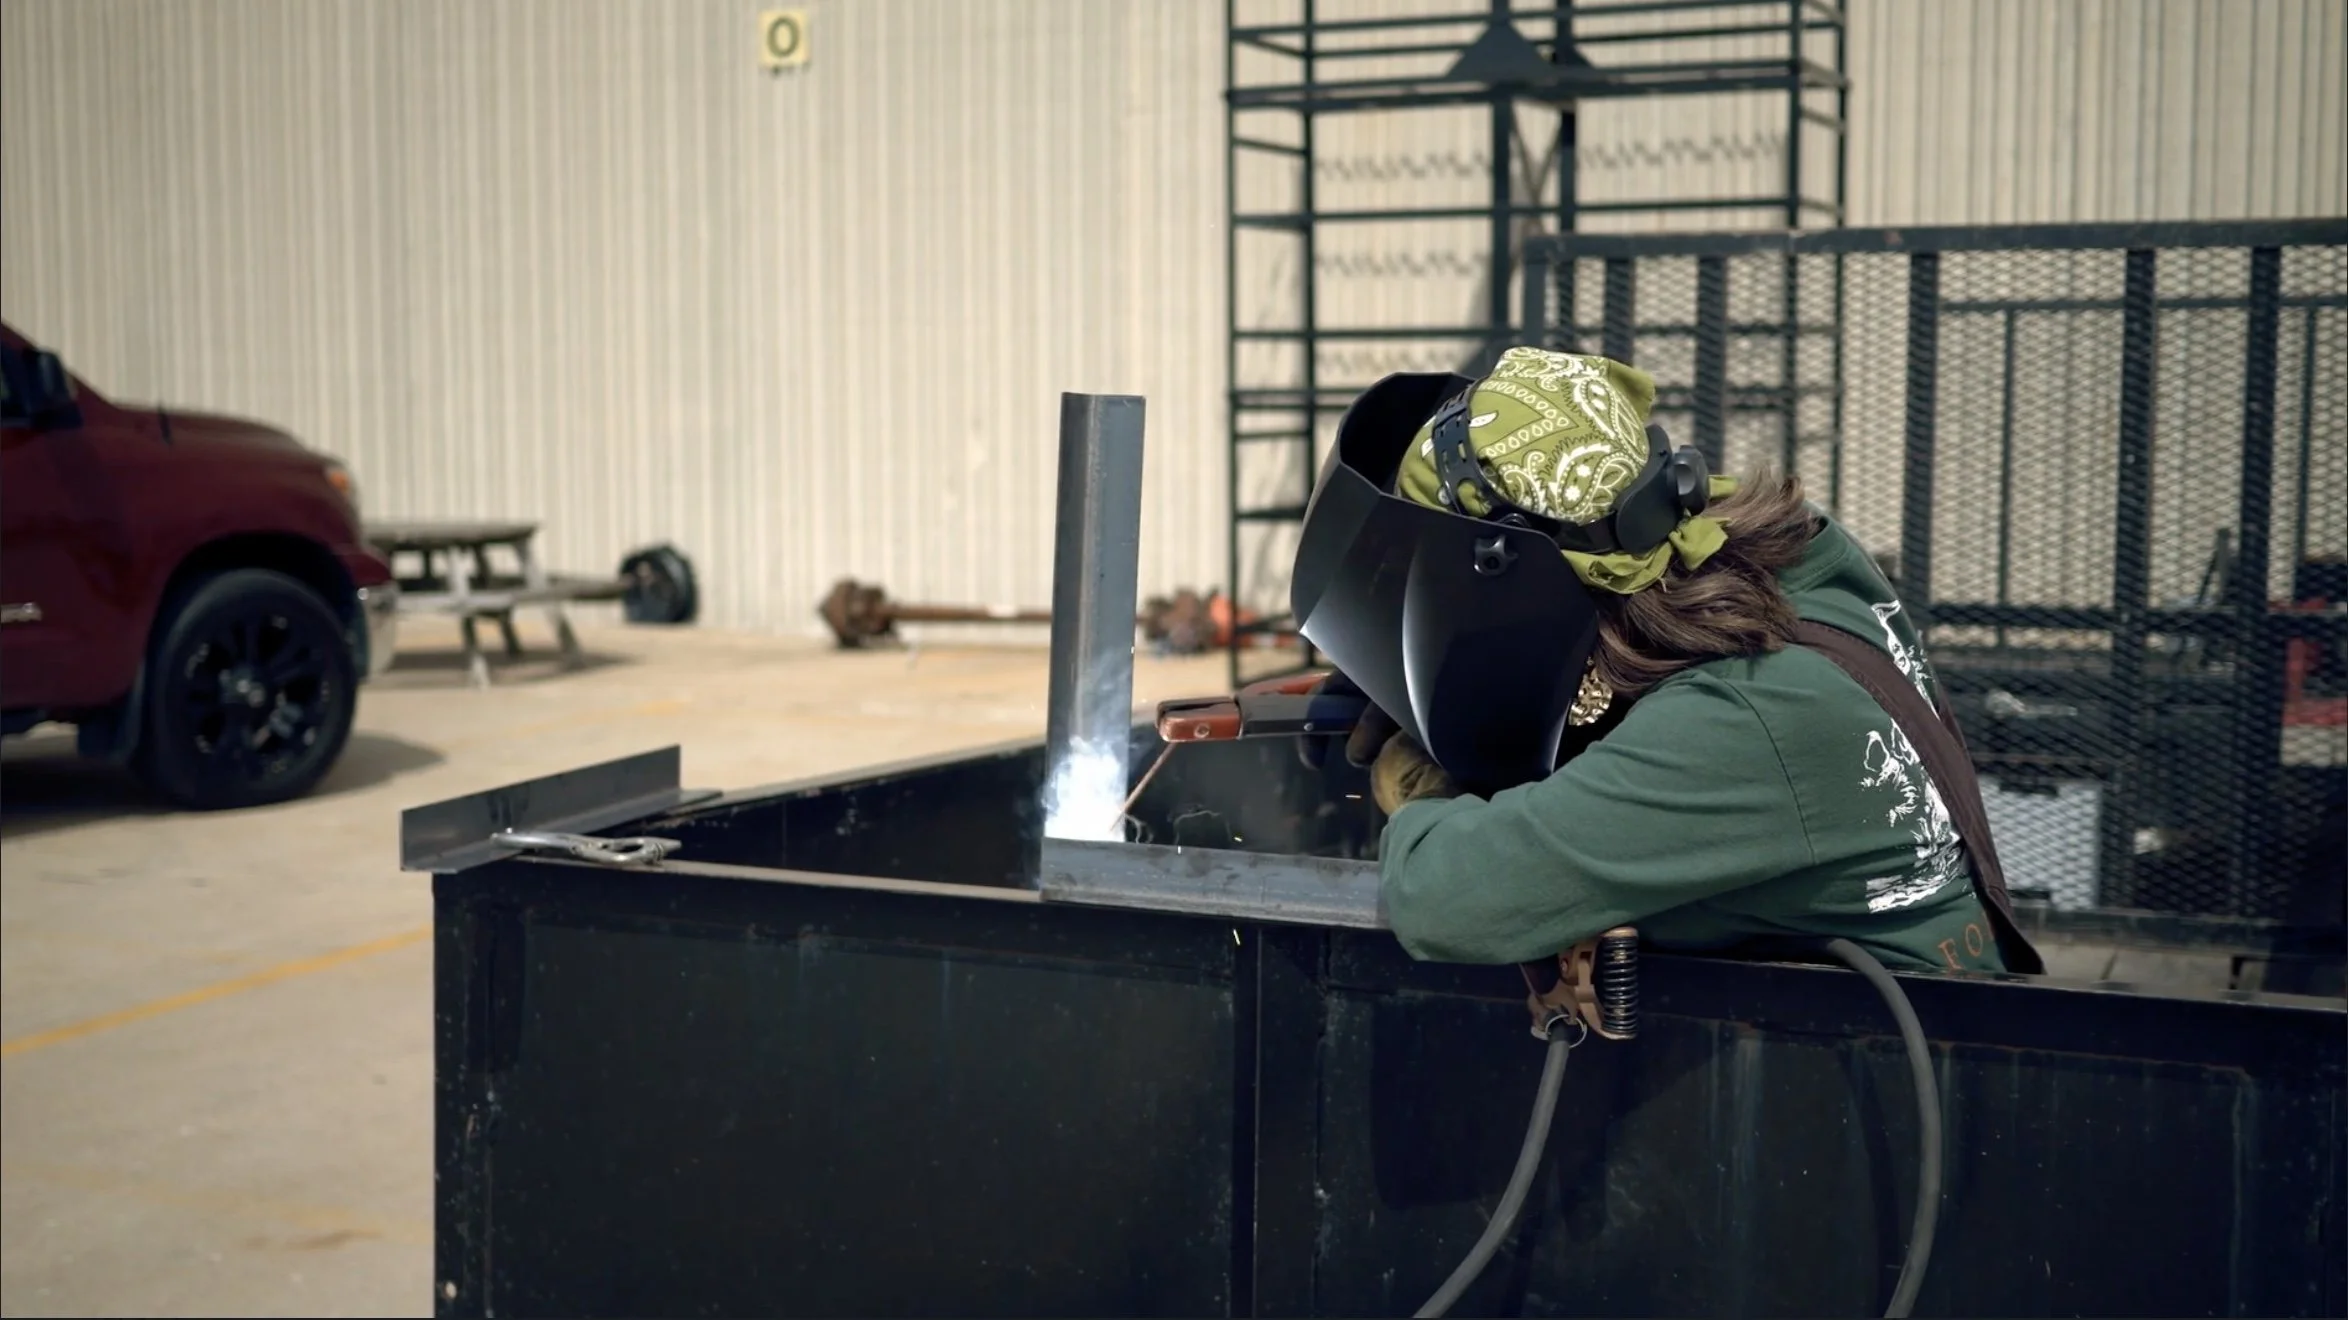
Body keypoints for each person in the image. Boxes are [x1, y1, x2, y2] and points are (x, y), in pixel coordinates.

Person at [1297, 345, 2041, 975]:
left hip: (1880, 1064)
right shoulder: (1799, 563)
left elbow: (1449, 902)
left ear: (1511, 570)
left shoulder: (1747, 716)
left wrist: (1428, 783)